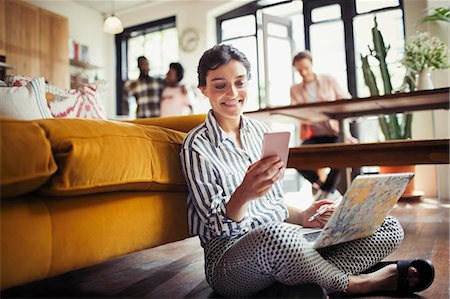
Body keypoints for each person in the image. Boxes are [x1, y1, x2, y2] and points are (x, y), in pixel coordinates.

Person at [179, 44, 434, 298]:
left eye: (240, 82)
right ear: (204, 89)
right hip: (230, 261)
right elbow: (216, 229)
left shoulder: (259, 132)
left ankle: (301, 281)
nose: (232, 93)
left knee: (386, 225)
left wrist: (303, 216)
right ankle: (359, 283)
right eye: (220, 85)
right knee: (276, 236)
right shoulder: (197, 145)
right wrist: (243, 193)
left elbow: (271, 203)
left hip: (285, 244)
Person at [290, 50, 357, 201]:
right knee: (293, 156)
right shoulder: (295, 89)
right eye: (300, 70)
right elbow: (296, 112)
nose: (304, 72)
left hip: (335, 133)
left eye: (306, 68)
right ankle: (324, 186)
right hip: (313, 135)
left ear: (312, 65)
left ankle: (326, 191)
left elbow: (346, 100)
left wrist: (330, 109)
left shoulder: (328, 80)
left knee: (342, 152)